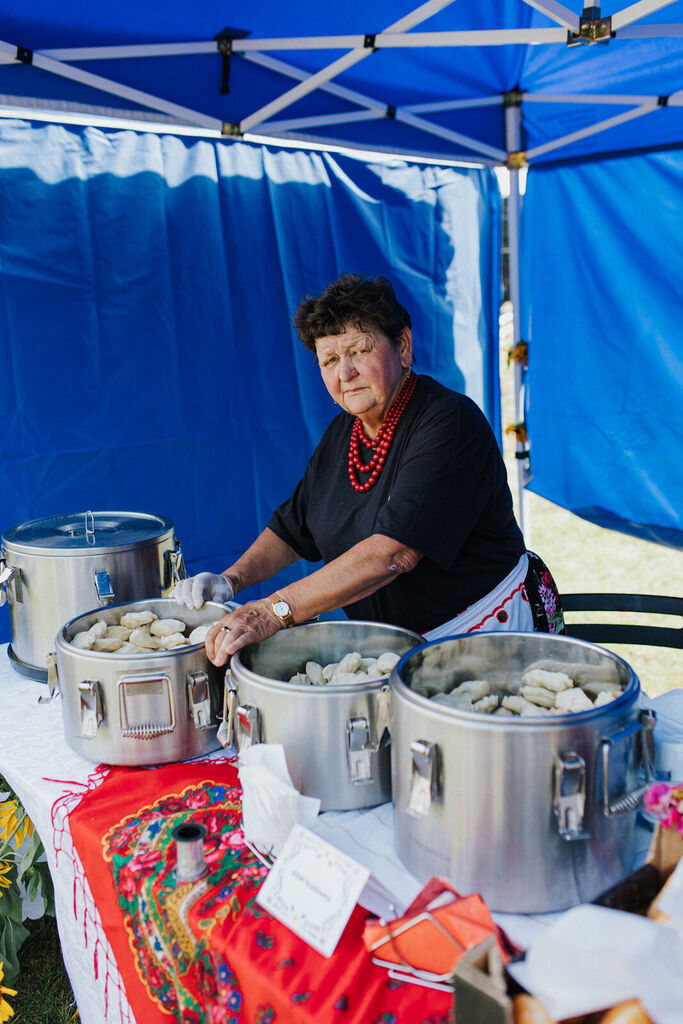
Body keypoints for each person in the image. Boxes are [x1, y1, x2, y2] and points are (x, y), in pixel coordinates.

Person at [172, 273, 564, 666]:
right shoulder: (345, 432)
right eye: (329, 360)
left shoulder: (449, 422)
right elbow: (294, 530)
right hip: (402, 648)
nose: (345, 373)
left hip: (492, 631)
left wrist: (272, 611)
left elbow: (392, 553)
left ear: (403, 347)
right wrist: (231, 580)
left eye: (359, 350)